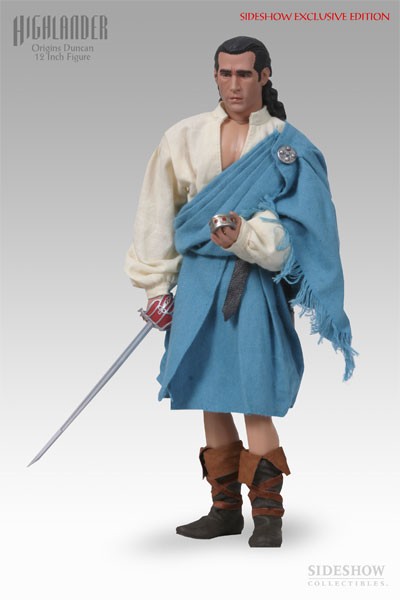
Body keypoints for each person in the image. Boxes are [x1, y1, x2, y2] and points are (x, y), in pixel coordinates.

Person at [124, 36, 355, 547]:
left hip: (252, 284)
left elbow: (307, 228)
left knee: (254, 392)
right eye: (225, 73)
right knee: (208, 392)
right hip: (198, 282)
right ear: (214, 76)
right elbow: (156, 213)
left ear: (264, 76)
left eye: (244, 74)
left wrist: (249, 237)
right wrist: (156, 286)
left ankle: (268, 515)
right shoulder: (183, 136)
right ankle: (224, 510)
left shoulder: (288, 146)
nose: (234, 84)